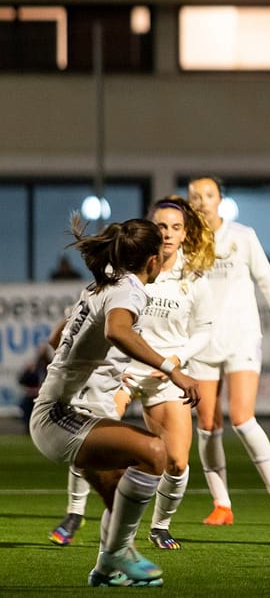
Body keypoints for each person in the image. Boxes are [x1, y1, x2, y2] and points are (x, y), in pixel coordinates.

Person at [29, 217, 200, 587]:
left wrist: (102, 367)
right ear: (152, 261)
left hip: (63, 413)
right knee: (156, 453)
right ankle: (117, 555)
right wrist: (174, 369)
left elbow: (59, 339)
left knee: (120, 496)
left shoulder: (100, 284)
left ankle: (107, 568)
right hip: (60, 417)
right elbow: (116, 331)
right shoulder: (130, 288)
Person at [186, 176, 270, 525]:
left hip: (242, 336)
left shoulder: (242, 236)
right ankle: (222, 504)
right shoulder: (186, 242)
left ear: (220, 200)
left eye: (208, 195)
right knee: (206, 424)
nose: (202, 201)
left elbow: (267, 280)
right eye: (195, 197)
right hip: (201, 341)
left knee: (242, 417)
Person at [18, 345, 50, 433]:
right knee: (25, 405)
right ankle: (28, 428)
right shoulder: (34, 366)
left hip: (46, 394)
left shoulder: (50, 364)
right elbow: (22, 380)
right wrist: (29, 371)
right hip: (33, 395)